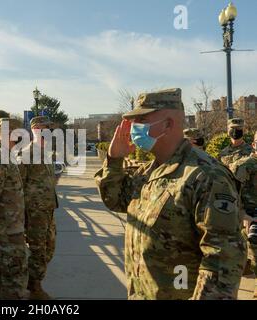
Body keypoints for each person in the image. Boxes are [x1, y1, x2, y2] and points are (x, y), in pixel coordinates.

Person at [95, 88, 247, 300]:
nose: (133, 127)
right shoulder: (149, 171)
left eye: (142, 119)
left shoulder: (205, 176)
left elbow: (223, 260)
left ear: (168, 124)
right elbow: (116, 200)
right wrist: (114, 159)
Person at [0, 118, 29, 299]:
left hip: (13, 228)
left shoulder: (9, 156)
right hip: (5, 233)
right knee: (11, 280)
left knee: (16, 275)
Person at [18, 116, 58, 300]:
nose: (47, 133)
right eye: (43, 129)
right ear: (34, 130)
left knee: (49, 248)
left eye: (49, 129)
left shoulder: (46, 153)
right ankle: (34, 288)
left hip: (47, 210)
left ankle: (33, 283)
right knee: (37, 250)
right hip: (33, 212)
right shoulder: (26, 153)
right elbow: (18, 185)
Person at [231, 131, 257, 299]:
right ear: (253, 144)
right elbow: (229, 194)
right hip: (252, 218)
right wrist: (243, 216)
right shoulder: (243, 166)